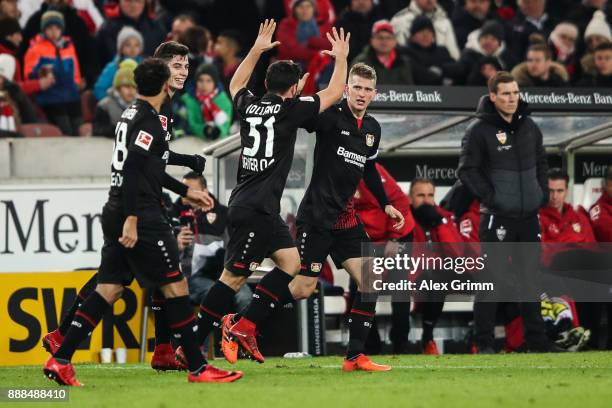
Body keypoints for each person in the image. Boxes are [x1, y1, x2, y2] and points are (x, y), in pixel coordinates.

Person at [42, 58, 242, 385]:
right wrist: (134, 219)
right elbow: (135, 167)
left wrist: (184, 191)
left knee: (108, 288)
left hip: (116, 205)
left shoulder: (131, 113)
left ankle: (61, 358)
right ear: (165, 85)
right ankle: (198, 367)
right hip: (141, 212)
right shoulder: (150, 120)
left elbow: (149, 163)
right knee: (175, 284)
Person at [175, 20, 350, 369]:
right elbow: (333, 94)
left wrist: (257, 48)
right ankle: (190, 345)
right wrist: (341, 57)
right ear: (295, 87)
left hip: (257, 207)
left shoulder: (251, 106)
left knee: (290, 263)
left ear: (267, 84)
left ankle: (245, 324)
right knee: (232, 278)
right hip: (255, 208)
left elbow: (236, 82)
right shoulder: (291, 110)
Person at [275, 62, 405, 371]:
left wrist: (385, 203)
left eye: (367, 89)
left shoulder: (372, 128)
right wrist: (297, 96)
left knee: (371, 281)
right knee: (303, 288)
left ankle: (355, 356)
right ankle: (245, 316)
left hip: (345, 218)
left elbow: (369, 167)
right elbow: (300, 118)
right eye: (356, 87)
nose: (361, 93)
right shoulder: (330, 117)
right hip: (317, 216)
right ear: (346, 89)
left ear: (375, 94)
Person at [457, 71, 551, 353]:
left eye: (515, 92)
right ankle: (484, 345)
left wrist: (541, 194)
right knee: (491, 282)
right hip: (497, 217)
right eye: (506, 93)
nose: (512, 98)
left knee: (531, 280)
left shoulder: (530, 127)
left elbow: (542, 162)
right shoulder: (478, 130)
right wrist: (492, 198)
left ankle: (537, 343)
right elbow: (466, 170)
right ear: (494, 96)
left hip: (528, 216)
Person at [354, 163, 414, 354]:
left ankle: (401, 345)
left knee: (400, 290)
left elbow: (400, 201)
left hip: (396, 232)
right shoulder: (335, 175)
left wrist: (395, 237)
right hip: (367, 239)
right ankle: (370, 348)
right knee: (362, 290)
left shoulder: (370, 171)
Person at [170, 172, 252, 310]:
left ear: (205, 192)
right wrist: (176, 245)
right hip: (188, 278)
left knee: (246, 298)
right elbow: (157, 253)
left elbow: (236, 248)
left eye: (192, 190)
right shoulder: (170, 215)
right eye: (184, 190)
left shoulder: (224, 215)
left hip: (224, 274)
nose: (187, 194)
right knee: (215, 296)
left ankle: (240, 331)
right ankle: (213, 331)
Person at [408, 178, 465, 355]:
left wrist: (439, 224)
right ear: (410, 198)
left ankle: (480, 340)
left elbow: (457, 253)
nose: (426, 200)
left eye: (430, 195)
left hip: (441, 275)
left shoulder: (443, 217)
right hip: (413, 275)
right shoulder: (403, 218)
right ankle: (427, 338)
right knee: (434, 278)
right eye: (420, 195)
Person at [23, 10, 83, 135]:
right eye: (50, 28)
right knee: (65, 129)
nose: (54, 31)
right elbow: (28, 74)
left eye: (57, 28)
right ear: (44, 29)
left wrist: (76, 84)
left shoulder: (69, 46)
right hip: (50, 97)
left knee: (79, 128)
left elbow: (75, 69)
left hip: (71, 95)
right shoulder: (35, 49)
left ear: (62, 29)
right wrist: (40, 75)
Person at [95, 0, 166, 66]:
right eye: (128, 0)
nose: (133, 5)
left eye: (138, 1)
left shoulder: (156, 26)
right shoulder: (107, 29)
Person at [177, 63, 232, 140]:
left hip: (218, 142)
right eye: (200, 80)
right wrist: (204, 130)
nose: (204, 85)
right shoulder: (187, 99)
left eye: (209, 81)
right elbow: (189, 124)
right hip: (191, 141)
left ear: (215, 83)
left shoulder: (223, 101)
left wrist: (217, 131)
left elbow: (225, 126)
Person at [391, 0, 460, 60]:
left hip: (441, 70)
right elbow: (400, 55)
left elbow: (454, 54)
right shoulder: (400, 21)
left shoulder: (444, 21)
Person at [351, 20, 415, 85]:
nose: (384, 41)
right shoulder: (361, 62)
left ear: (395, 41)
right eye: (380, 37)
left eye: (388, 38)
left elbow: (409, 89)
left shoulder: (404, 62)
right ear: (371, 40)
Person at [276, 0, 332, 68]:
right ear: (294, 9)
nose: (305, 11)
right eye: (300, 7)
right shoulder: (286, 25)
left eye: (308, 6)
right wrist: (318, 53)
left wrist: (311, 41)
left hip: (319, 66)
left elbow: (330, 45)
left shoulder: (322, 23)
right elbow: (293, 51)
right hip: (291, 67)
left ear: (314, 9)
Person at [94, 26, 144, 101]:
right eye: (128, 45)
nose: (132, 48)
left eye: (136, 45)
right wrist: (113, 104)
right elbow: (99, 90)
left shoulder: (144, 66)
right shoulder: (113, 67)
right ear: (121, 48)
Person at [92, 62, 138, 138]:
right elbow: (97, 131)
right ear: (118, 88)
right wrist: (117, 129)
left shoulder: (140, 106)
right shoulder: (104, 106)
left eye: (134, 87)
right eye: (126, 86)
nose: (131, 90)